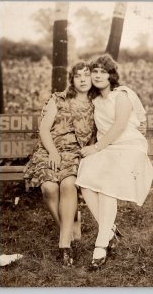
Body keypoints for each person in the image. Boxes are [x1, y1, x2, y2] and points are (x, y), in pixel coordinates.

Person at [75, 54, 153, 270]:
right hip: (109, 149)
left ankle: (101, 245)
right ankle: (108, 230)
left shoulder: (121, 94)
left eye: (103, 71)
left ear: (111, 76)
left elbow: (120, 126)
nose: (98, 75)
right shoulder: (94, 101)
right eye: (94, 71)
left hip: (129, 147)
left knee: (107, 184)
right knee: (85, 177)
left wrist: (96, 148)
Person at [24, 61, 96, 267]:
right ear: (72, 79)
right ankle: (70, 227)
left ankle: (64, 245)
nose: (83, 79)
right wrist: (53, 152)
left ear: (92, 78)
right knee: (48, 188)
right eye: (78, 76)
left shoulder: (96, 103)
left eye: (86, 75)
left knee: (67, 184)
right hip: (49, 151)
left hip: (75, 153)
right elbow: (44, 130)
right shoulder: (59, 99)